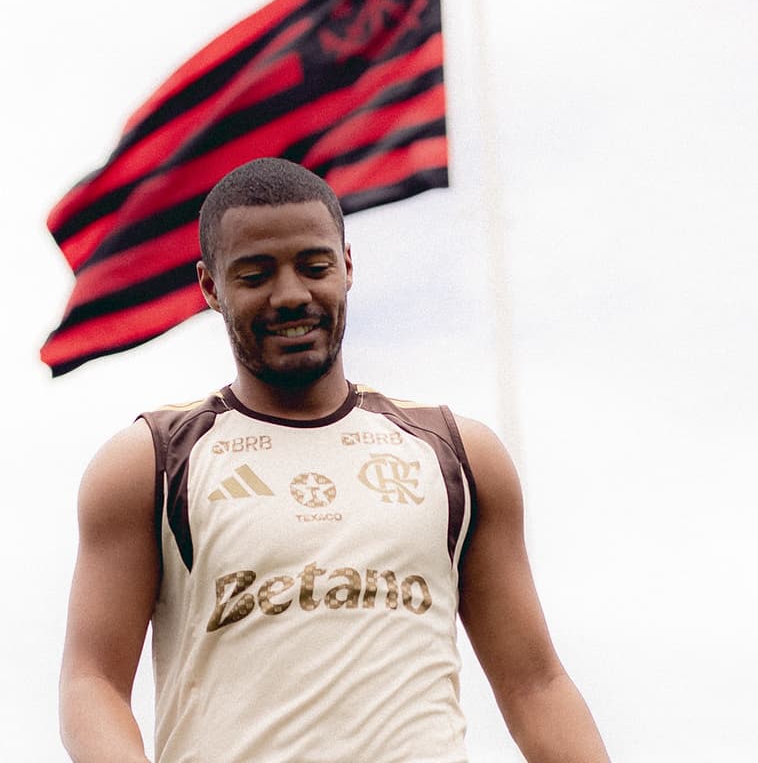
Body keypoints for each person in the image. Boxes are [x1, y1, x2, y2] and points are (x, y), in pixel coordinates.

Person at [59, 158, 610, 763]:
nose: (291, 295)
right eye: (254, 275)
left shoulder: (456, 452)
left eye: (314, 266)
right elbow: (93, 683)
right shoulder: (153, 462)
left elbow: (535, 685)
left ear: (347, 265)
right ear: (211, 287)